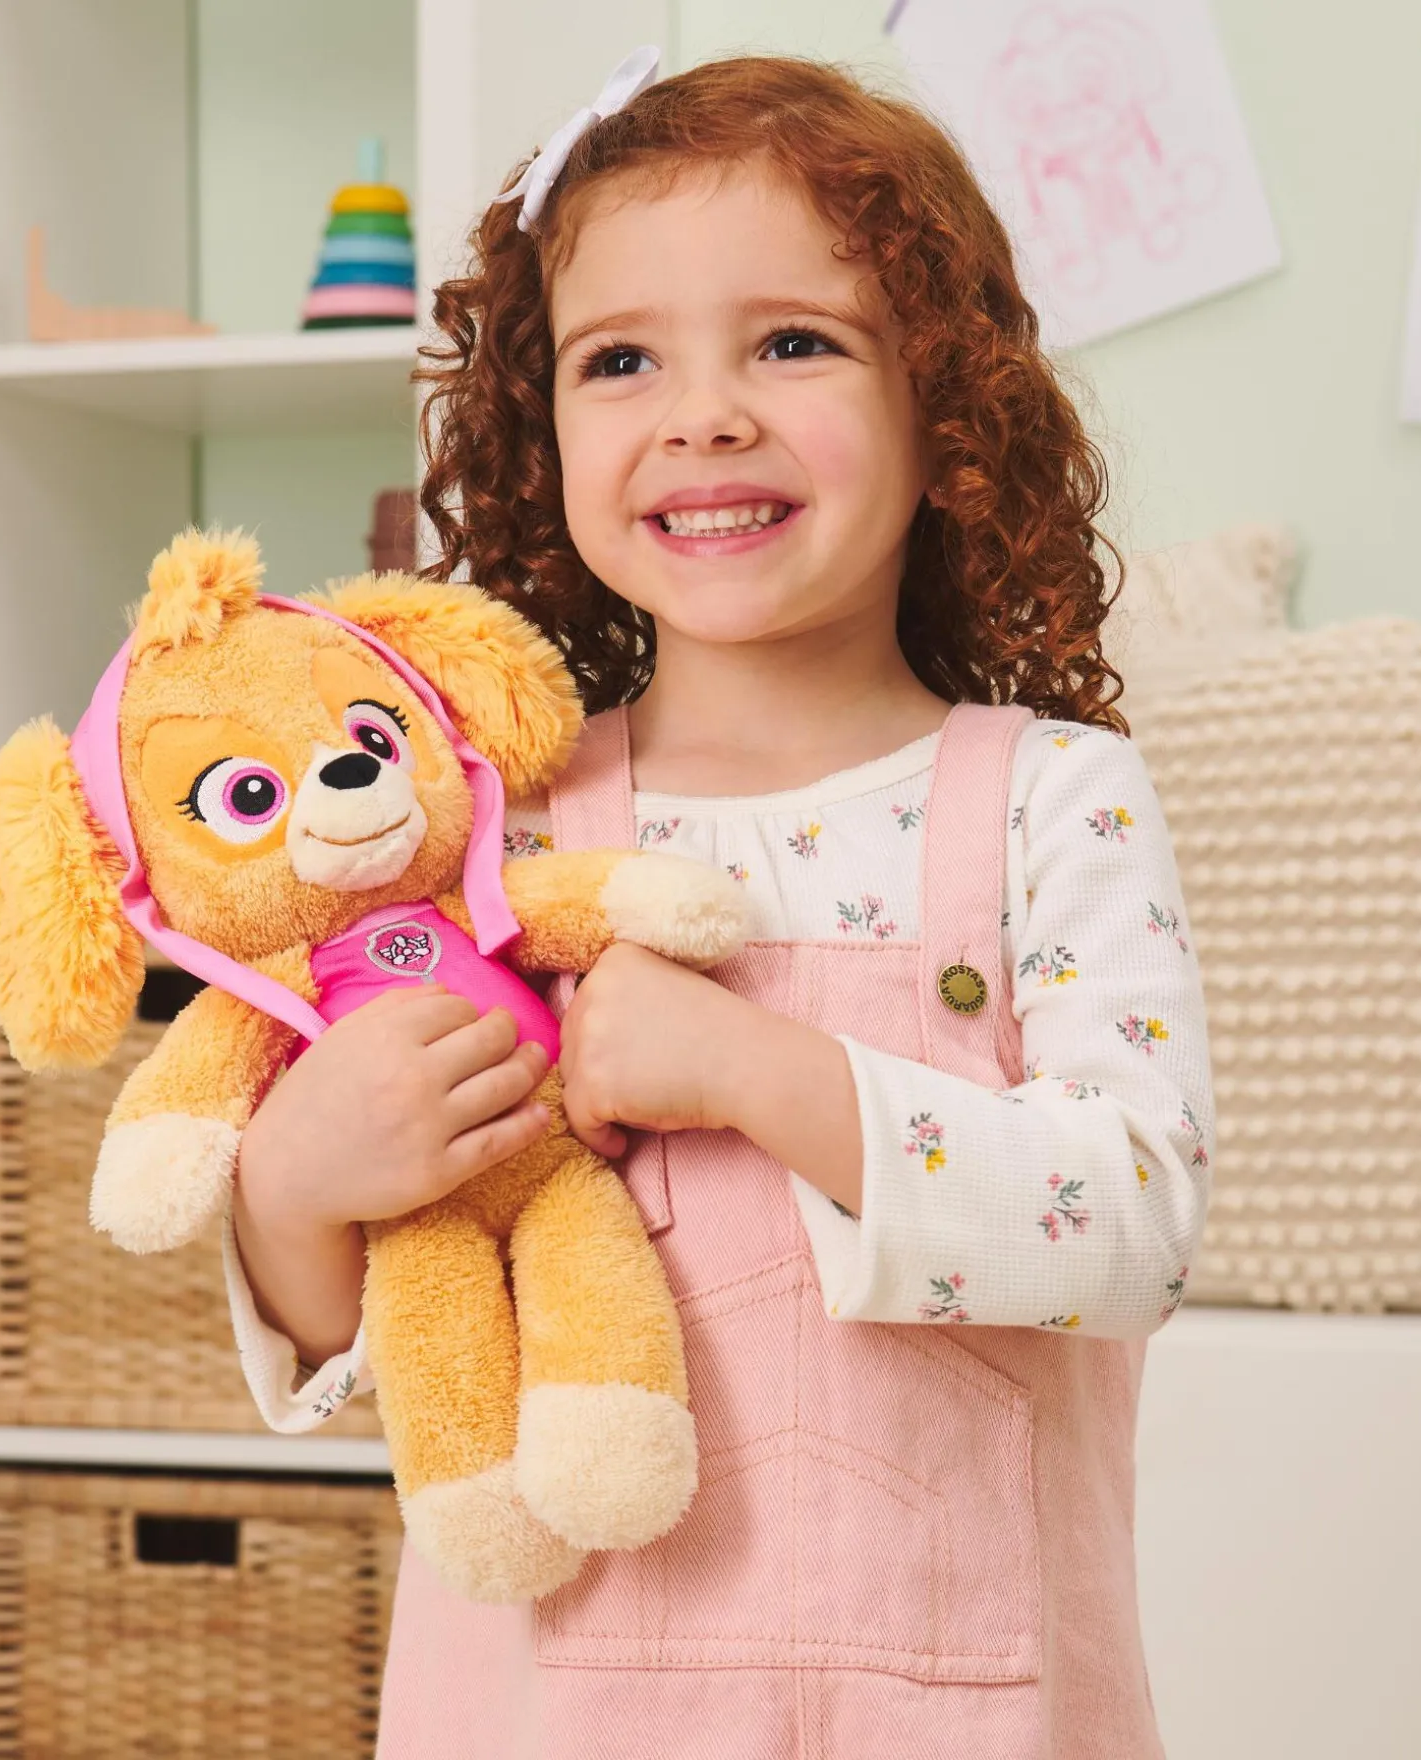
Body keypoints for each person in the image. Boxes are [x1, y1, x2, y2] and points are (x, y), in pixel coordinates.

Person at [225, 48, 1214, 1758]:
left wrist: (750, 1070)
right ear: (542, 435)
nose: (703, 415)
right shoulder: (492, 826)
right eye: (621, 360)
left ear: (948, 414)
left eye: (794, 343)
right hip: (547, 1712)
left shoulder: (1053, 800)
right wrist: (297, 1184)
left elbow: (1133, 1228)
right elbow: (381, 1325)